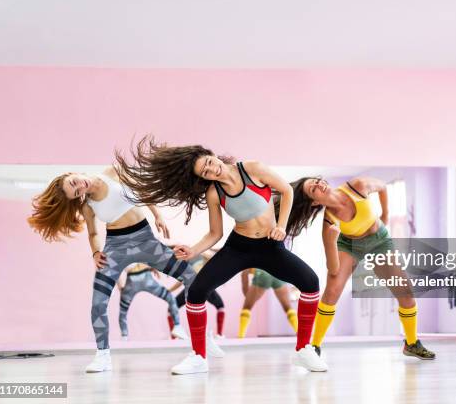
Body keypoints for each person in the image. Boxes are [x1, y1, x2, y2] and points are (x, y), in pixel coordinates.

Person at [115, 137, 327, 374]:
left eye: (208, 162)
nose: (210, 169)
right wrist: (193, 250)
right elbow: (215, 233)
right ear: (203, 178)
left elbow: (287, 191)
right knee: (195, 293)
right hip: (238, 248)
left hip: (270, 247)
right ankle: (198, 356)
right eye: (205, 172)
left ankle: (303, 350)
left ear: (212, 154)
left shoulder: (252, 169)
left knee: (311, 283)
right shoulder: (214, 193)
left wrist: (281, 226)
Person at [27, 166, 223, 373]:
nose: (80, 187)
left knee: (192, 277)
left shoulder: (112, 172)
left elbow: (143, 191)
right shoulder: (88, 206)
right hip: (115, 248)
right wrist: (95, 253)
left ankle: (201, 341)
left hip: (146, 241)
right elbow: (93, 233)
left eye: (74, 182)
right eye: (76, 192)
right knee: (98, 303)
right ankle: (102, 356)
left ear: (70, 174)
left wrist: (158, 215)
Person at [283, 176, 435, 360]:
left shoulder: (357, 186)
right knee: (332, 291)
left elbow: (382, 186)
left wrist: (385, 215)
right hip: (349, 244)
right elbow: (333, 269)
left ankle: (411, 344)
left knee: (405, 292)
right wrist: (331, 242)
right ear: (314, 202)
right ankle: (314, 346)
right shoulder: (329, 223)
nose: (319, 184)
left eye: (317, 180)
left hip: (378, 241)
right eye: (313, 188)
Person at [117, 263, 186, 341]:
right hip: (145, 276)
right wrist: (154, 268)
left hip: (132, 278)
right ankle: (177, 325)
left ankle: (124, 336)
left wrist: (120, 285)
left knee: (123, 311)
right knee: (170, 298)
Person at [238, 269, 298, 338]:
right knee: (288, 308)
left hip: (262, 274)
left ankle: (241, 336)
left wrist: (247, 296)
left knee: (247, 308)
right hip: (278, 275)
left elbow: (244, 273)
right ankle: (298, 332)